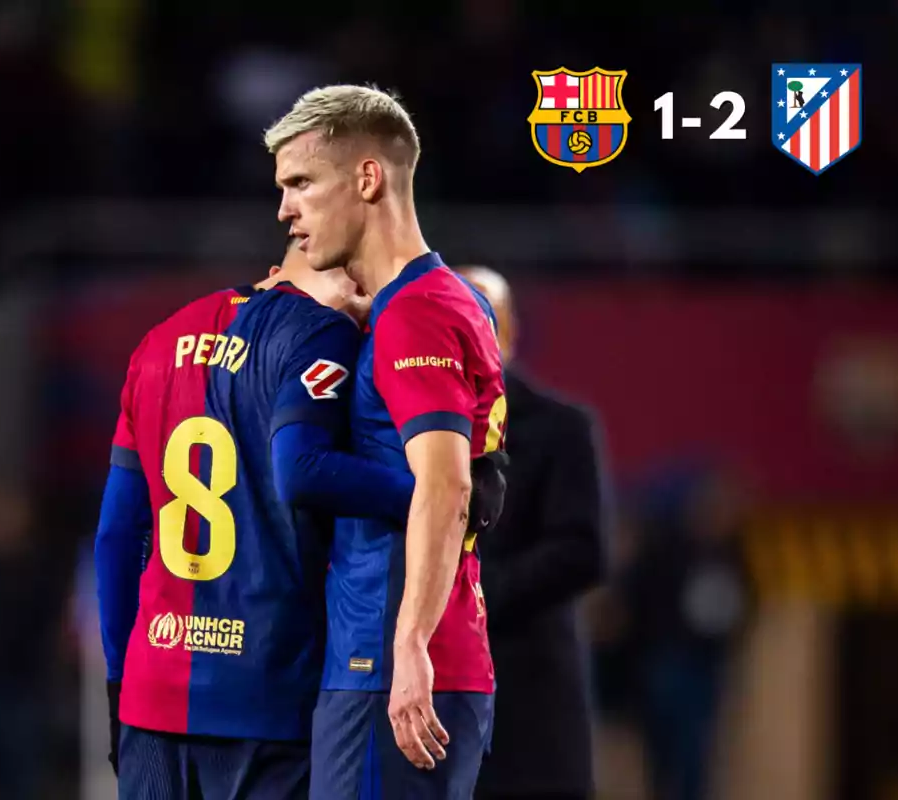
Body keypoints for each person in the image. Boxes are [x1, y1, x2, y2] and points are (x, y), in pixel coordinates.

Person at [95, 238, 507, 799]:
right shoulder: (321, 334)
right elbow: (305, 467)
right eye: (360, 289)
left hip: (153, 691)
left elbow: (118, 535)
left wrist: (118, 684)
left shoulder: (158, 343)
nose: (368, 310)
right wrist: (435, 492)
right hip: (268, 689)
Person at [265, 85, 507, 799]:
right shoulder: (446, 302)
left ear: (367, 178)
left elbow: (449, 483)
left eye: (302, 183)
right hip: (416, 654)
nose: (285, 210)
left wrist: (407, 648)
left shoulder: (416, 319)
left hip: (391, 662)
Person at [459, 266, 609, 800]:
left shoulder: (560, 427)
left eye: (484, 320)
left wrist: (475, 597)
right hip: (435, 693)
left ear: (509, 333)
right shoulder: (403, 430)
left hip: (528, 691)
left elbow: (583, 550)